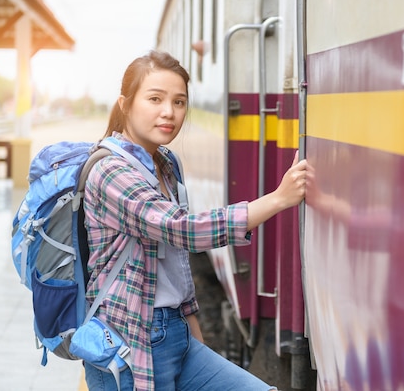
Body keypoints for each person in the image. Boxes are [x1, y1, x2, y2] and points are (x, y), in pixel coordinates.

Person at [82, 50, 307, 391]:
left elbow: (174, 262)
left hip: (176, 335)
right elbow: (180, 229)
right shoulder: (112, 171)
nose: (169, 112)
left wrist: (192, 330)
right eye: (155, 99)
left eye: (179, 102)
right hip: (131, 341)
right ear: (125, 104)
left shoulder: (165, 164)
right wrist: (278, 199)